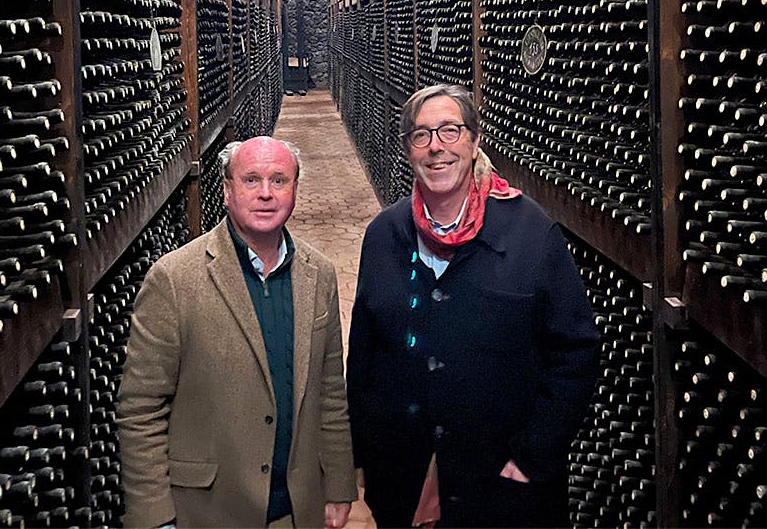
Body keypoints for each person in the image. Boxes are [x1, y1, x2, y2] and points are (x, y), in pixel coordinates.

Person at [347, 84, 599, 528]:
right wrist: (362, 457)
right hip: (405, 481)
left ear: (474, 140)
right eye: (421, 135)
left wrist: (532, 457)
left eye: (450, 131)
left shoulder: (530, 232)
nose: (436, 147)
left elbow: (575, 353)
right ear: (408, 149)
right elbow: (365, 355)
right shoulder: (385, 234)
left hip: (501, 487)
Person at [117, 136, 357, 529]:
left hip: (294, 510)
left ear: (295, 189)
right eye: (251, 180)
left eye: (279, 180)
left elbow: (330, 391)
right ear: (227, 191)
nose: (266, 193)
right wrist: (153, 515)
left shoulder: (321, 274)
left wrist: (339, 485)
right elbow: (140, 409)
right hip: (208, 511)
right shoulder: (174, 278)